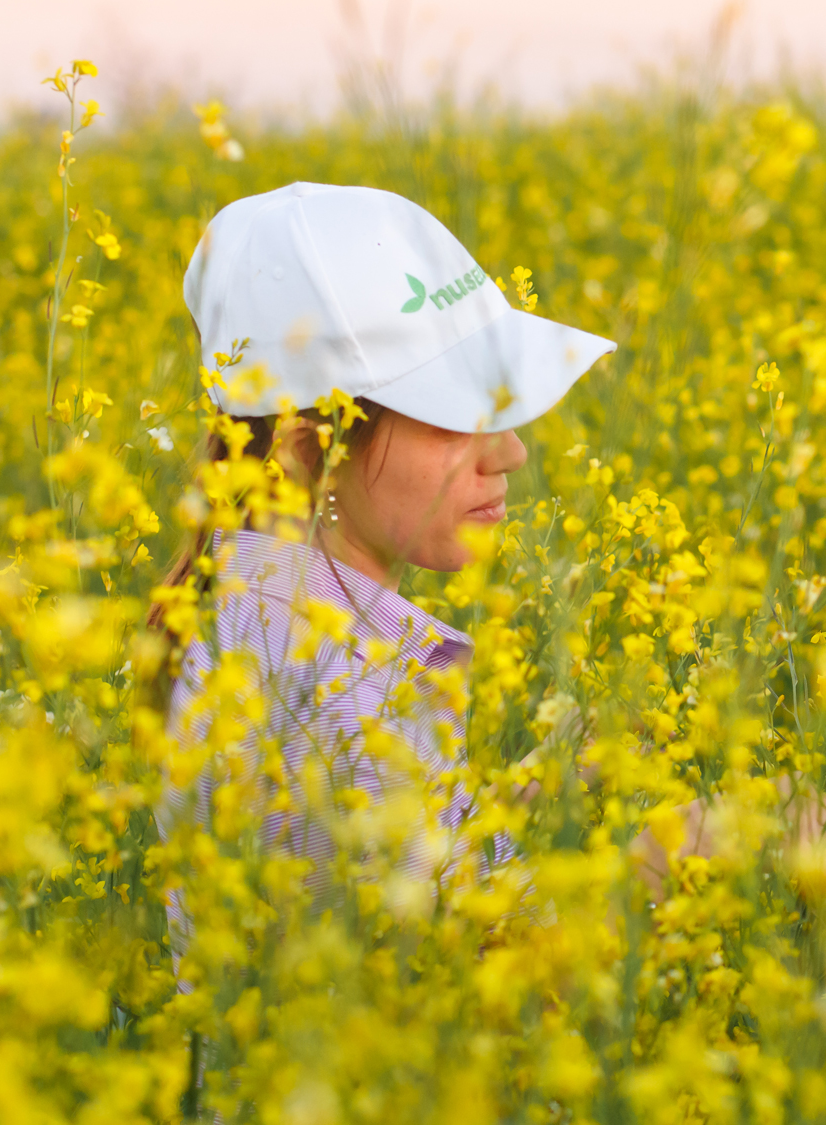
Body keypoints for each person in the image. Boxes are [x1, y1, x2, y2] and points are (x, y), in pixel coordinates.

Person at [151, 182, 615, 962]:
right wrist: (651, 878)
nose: (509, 452)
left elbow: (378, 884)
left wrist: (524, 808)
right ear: (310, 453)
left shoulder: (259, 613)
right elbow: (431, 1000)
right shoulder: (324, 697)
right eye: (456, 418)